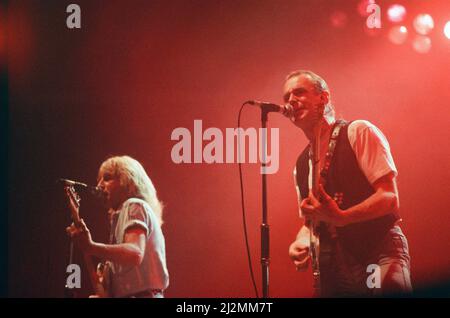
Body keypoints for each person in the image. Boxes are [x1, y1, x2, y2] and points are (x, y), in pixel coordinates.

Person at [286, 70, 412, 297]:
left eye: (299, 92)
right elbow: (311, 223)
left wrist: (343, 218)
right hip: (337, 267)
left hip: (378, 251)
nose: (290, 101)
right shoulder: (301, 165)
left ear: (323, 98)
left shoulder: (358, 131)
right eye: (286, 97)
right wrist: (300, 242)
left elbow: (389, 198)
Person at [66, 155, 169, 298]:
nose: (99, 185)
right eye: (99, 180)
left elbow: (135, 253)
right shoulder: (122, 217)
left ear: (128, 180)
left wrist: (92, 247)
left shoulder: (133, 205)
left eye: (107, 178)